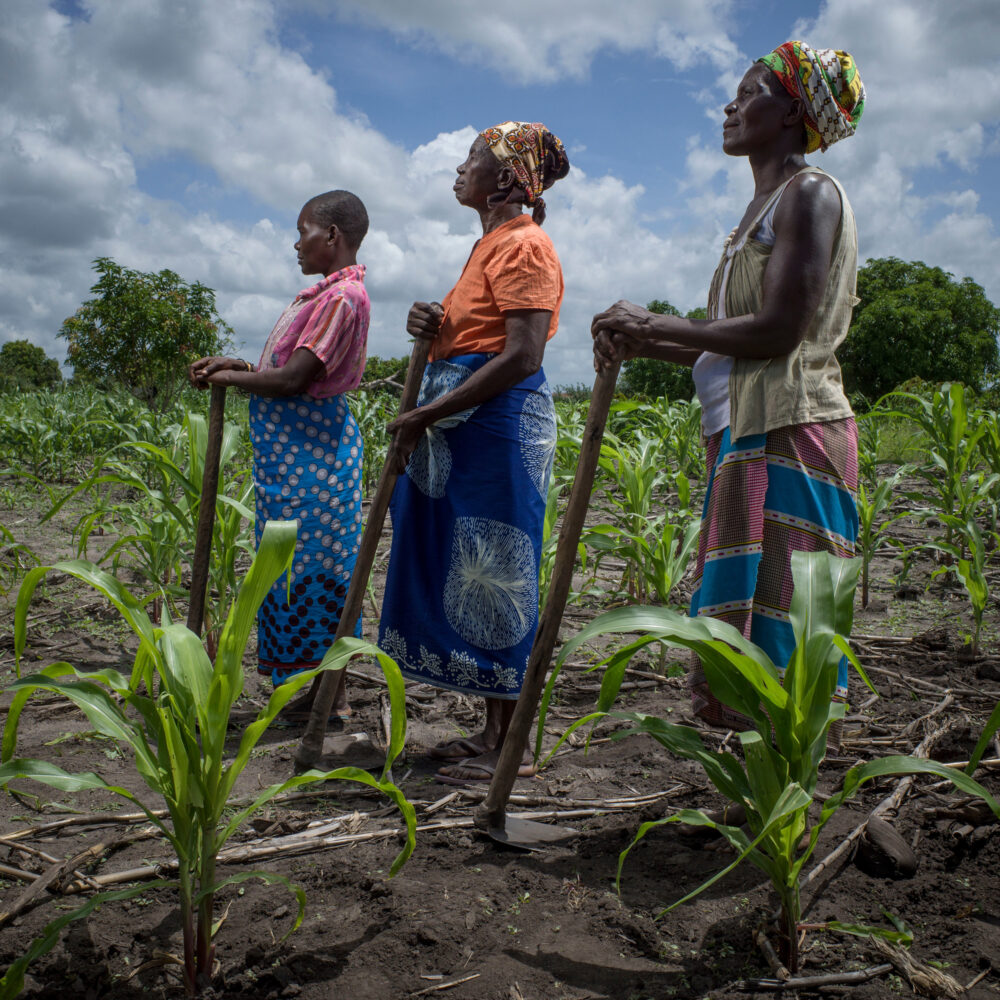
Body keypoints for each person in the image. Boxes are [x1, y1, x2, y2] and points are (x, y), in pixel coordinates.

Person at [592, 42, 866, 740]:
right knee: (748, 635)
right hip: (747, 436)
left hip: (792, 433)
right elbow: (728, 334)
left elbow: (778, 330)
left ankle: (789, 808)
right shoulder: (758, 213)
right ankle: (762, 795)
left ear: (790, 114)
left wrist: (655, 323)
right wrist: (645, 338)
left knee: (789, 635)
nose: (730, 106)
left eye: (748, 93)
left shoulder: (810, 194)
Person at [378, 121, 570, 784]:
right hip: (465, 428)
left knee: (497, 564)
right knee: (468, 562)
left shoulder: (525, 245)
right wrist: (429, 328)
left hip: (493, 430)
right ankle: (489, 731)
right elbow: (474, 337)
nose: (459, 170)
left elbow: (522, 354)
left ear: (509, 180)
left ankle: (507, 743)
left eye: (472, 160)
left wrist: (431, 411)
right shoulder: (489, 247)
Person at [189, 189, 371, 721]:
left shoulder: (341, 299)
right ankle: (306, 692)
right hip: (290, 466)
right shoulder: (319, 296)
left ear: (331, 236)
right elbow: (286, 367)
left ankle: (329, 695)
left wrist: (229, 378)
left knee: (316, 572)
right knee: (290, 570)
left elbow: (295, 380)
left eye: (303, 231)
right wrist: (239, 364)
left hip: (314, 465)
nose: (296, 244)